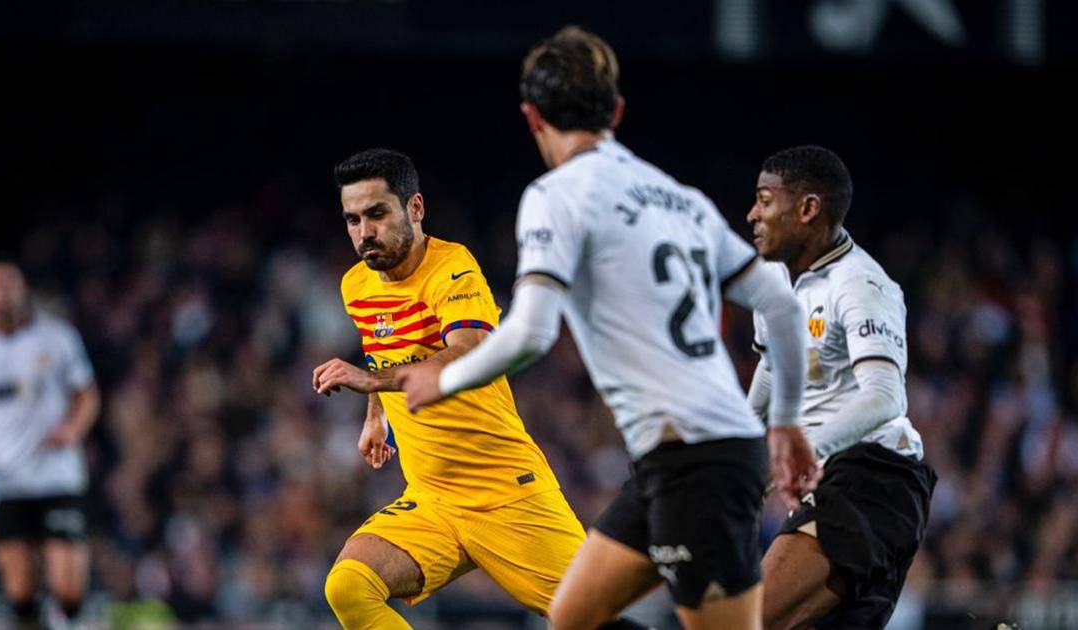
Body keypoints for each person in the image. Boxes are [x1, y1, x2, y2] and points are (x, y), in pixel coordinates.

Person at [397, 27, 818, 630]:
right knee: (573, 617)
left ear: (532, 117)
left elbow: (533, 331)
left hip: (697, 460)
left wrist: (445, 379)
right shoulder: (680, 199)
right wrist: (787, 422)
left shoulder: (556, 195)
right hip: (675, 459)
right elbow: (779, 299)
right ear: (616, 111)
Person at [312, 148, 592, 629]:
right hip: (433, 499)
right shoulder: (357, 284)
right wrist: (376, 414)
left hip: (505, 492)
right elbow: (382, 348)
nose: (364, 232)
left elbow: (469, 351)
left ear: (415, 208)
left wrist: (369, 381)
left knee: (591, 618)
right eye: (353, 220)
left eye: (377, 214)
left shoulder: (452, 269)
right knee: (349, 586)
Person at [745, 145, 936, 629]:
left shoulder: (862, 285)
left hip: (874, 478)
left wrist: (800, 452)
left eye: (765, 201)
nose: (752, 215)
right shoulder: (771, 280)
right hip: (833, 482)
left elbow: (885, 396)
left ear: (808, 209)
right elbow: (772, 367)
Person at [0, 261, 99, 628]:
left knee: (68, 587)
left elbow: (87, 394)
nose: (2, 294)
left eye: (8, 285)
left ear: (23, 289)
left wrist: (72, 430)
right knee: (20, 588)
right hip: (1, 480)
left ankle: (64, 619)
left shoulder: (57, 338)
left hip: (55, 475)